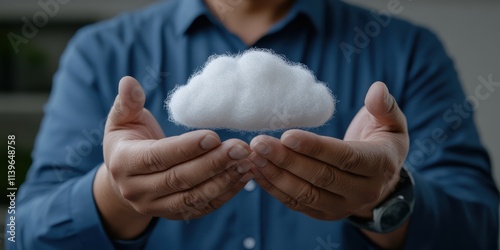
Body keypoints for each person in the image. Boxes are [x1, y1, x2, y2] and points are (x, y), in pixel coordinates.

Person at [7, 0, 499, 249]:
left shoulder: (407, 49)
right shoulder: (101, 53)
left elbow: (484, 229)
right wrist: (114, 194)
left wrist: (387, 197)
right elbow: (16, 231)